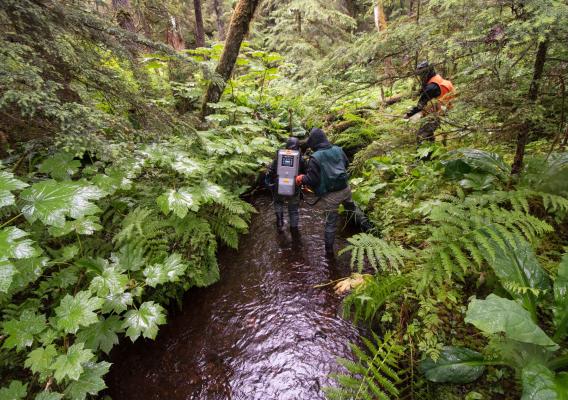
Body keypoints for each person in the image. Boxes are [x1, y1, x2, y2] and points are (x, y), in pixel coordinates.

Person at [295, 128, 372, 256]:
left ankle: (329, 253)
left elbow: (312, 180)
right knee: (352, 208)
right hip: (345, 188)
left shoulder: (315, 158)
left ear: (314, 142)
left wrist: (301, 178)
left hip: (331, 196)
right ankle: (370, 230)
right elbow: (346, 165)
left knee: (330, 223)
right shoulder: (338, 149)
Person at [405, 61, 455, 147]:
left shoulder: (431, 87)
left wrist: (408, 115)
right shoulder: (436, 78)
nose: (421, 77)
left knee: (422, 136)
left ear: (426, 73)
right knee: (428, 133)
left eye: (422, 74)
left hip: (440, 113)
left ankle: (424, 159)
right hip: (445, 108)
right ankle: (432, 155)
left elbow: (420, 105)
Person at [267, 137, 306, 233]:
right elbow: (305, 173)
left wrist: (271, 182)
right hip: (294, 187)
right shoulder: (301, 159)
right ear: (298, 147)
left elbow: (271, 171)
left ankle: (280, 222)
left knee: (278, 202)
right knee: (293, 210)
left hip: (279, 185)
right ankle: (294, 230)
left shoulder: (279, 156)